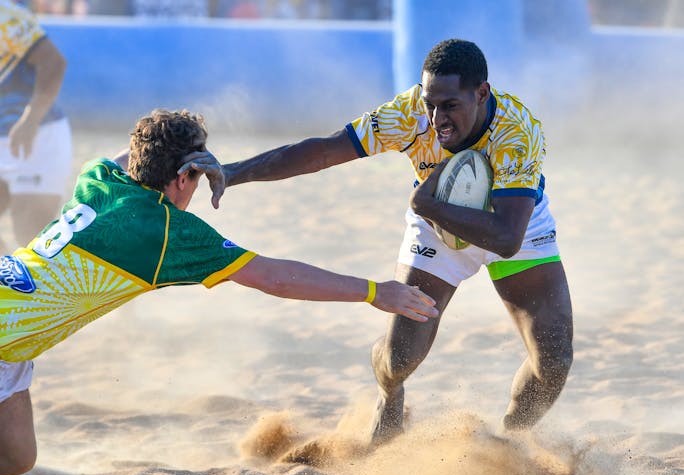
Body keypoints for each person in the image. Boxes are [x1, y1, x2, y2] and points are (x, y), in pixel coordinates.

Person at [0, 109, 438, 475]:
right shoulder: (166, 231)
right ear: (186, 174)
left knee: (18, 457)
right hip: (6, 328)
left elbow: (128, 155)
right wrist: (375, 292)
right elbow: (275, 277)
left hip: (14, 336)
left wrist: (185, 160)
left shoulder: (102, 176)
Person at [188, 39, 574, 444]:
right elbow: (323, 151)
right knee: (399, 358)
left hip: (511, 218)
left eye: (450, 106)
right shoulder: (407, 115)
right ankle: (389, 394)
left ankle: (510, 443)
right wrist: (232, 173)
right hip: (435, 225)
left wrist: (425, 203)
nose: (437, 118)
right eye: (430, 103)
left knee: (554, 359)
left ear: (481, 93)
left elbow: (508, 239)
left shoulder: (517, 129)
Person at [0, 0, 72, 254]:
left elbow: (53, 62)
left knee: (34, 240)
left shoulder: (5, 15)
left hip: (36, 136)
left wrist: (31, 120)